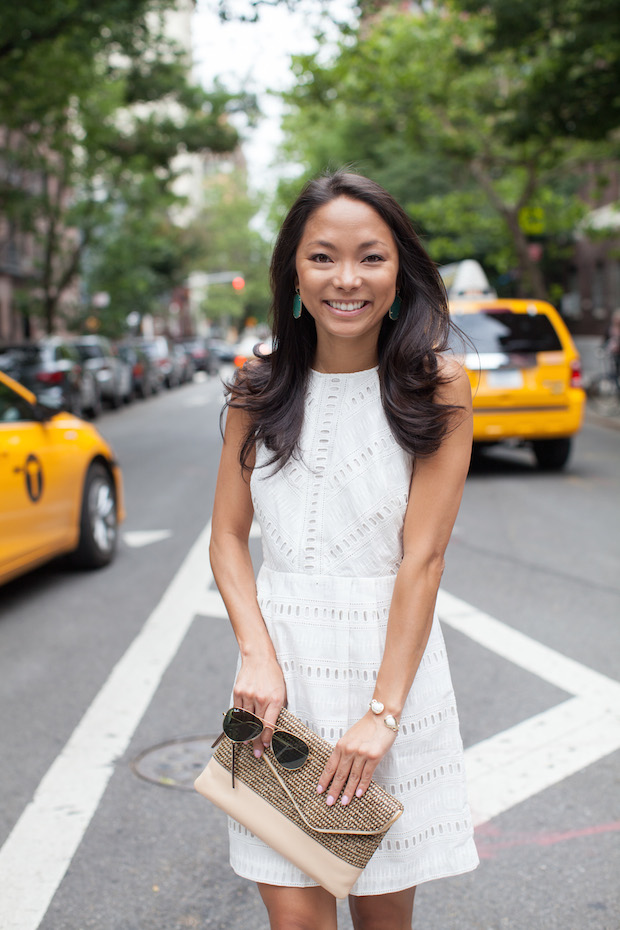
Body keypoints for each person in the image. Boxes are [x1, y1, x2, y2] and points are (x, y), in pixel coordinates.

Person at [209, 171, 479, 930]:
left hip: (387, 681)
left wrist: (381, 716)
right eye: (323, 257)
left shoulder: (441, 388)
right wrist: (256, 654)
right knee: (295, 920)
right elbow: (227, 537)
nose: (348, 279)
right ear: (295, 272)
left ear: (401, 272)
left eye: (372, 257)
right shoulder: (255, 389)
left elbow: (422, 562)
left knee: (382, 919)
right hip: (276, 692)